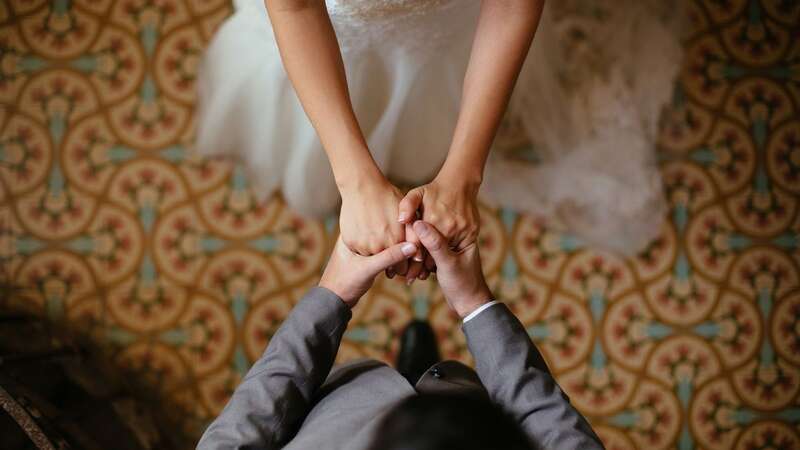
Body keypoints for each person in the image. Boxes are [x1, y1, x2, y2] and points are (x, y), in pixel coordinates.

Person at [196, 0, 684, 265]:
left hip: (448, 32)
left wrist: (462, 177)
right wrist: (355, 182)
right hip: (321, 33)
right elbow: (296, 9)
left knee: (433, 102)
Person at [196, 221, 604, 449]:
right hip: (466, 409)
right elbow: (556, 433)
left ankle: (412, 367)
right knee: (437, 378)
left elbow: (239, 435)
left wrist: (333, 294)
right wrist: (475, 303)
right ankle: (422, 368)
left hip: (348, 403)